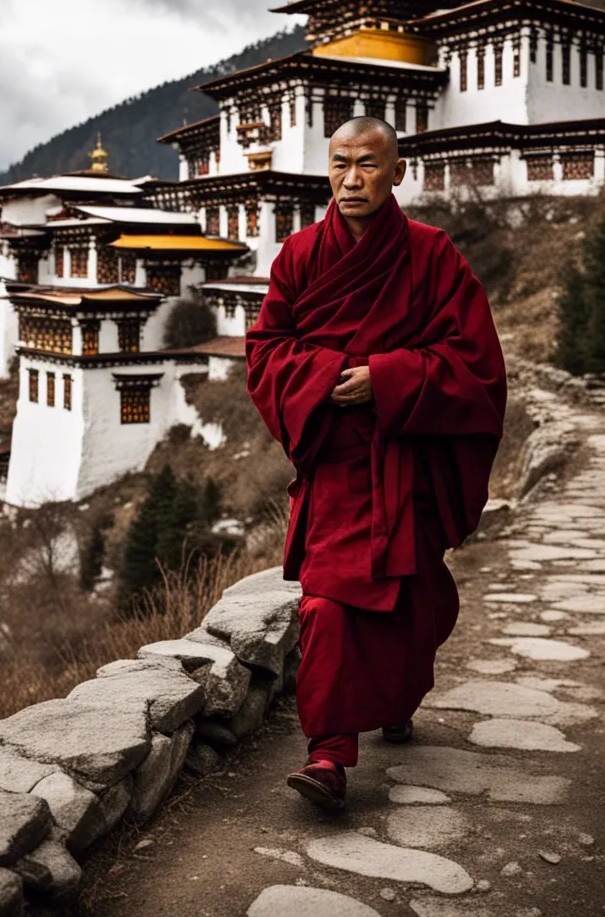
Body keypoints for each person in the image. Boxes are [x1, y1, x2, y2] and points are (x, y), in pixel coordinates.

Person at [245, 117, 506, 810]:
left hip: (406, 462)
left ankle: (395, 696)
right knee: (326, 604)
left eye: (367, 165)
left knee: (410, 600)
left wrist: (387, 380)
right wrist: (329, 375)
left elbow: (475, 363)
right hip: (336, 465)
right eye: (339, 165)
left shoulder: (432, 255)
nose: (351, 179)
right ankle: (328, 754)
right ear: (325, 170)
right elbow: (266, 351)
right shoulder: (300, 256)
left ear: (396, 173)